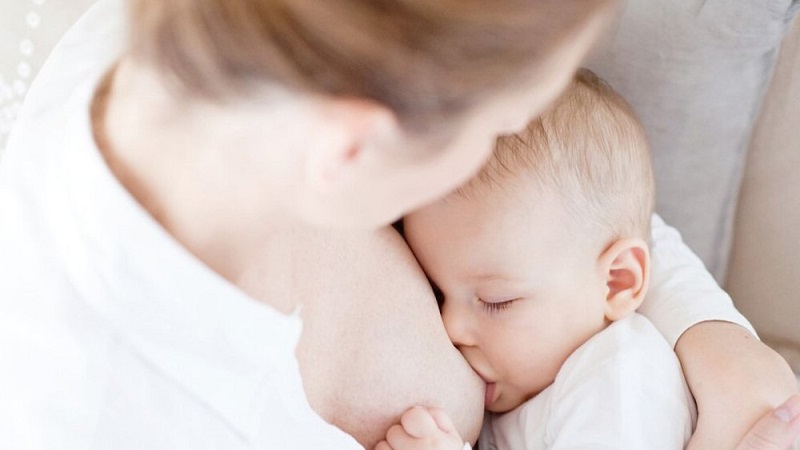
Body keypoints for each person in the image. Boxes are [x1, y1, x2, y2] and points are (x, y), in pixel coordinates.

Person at [0, 0, 797, 449]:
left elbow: (561, 195)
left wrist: (710, 336)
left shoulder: (226, 58)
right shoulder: (147, 412)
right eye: (493, 126)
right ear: (358, 146)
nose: (503, 143)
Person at [378, 69, 695, 450]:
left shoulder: (619, 379)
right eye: (437, 293)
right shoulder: (532, 383)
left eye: (497, 300)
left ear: (617, 282)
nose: (451, 328)